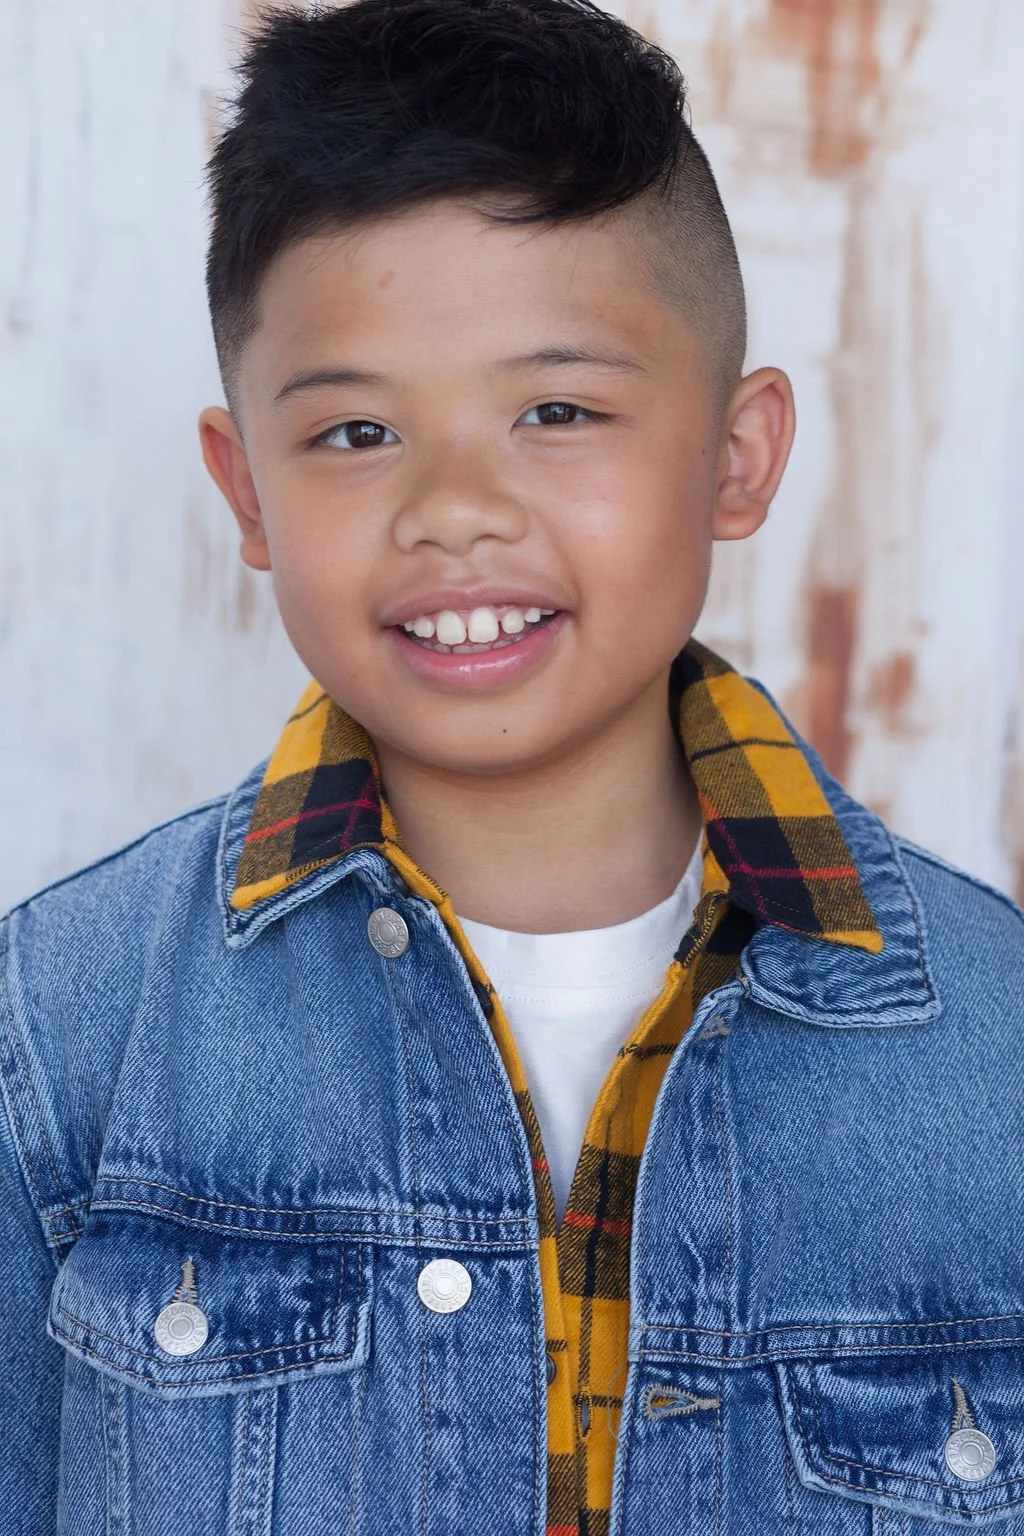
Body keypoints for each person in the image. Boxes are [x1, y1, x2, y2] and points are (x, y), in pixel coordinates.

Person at [3, 0, 1023, 1531]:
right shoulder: (59, 1031)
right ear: (248, 492)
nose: (455, 509)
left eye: (557, 411)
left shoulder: (999, 1048)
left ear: (737, 453)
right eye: (357, 434)